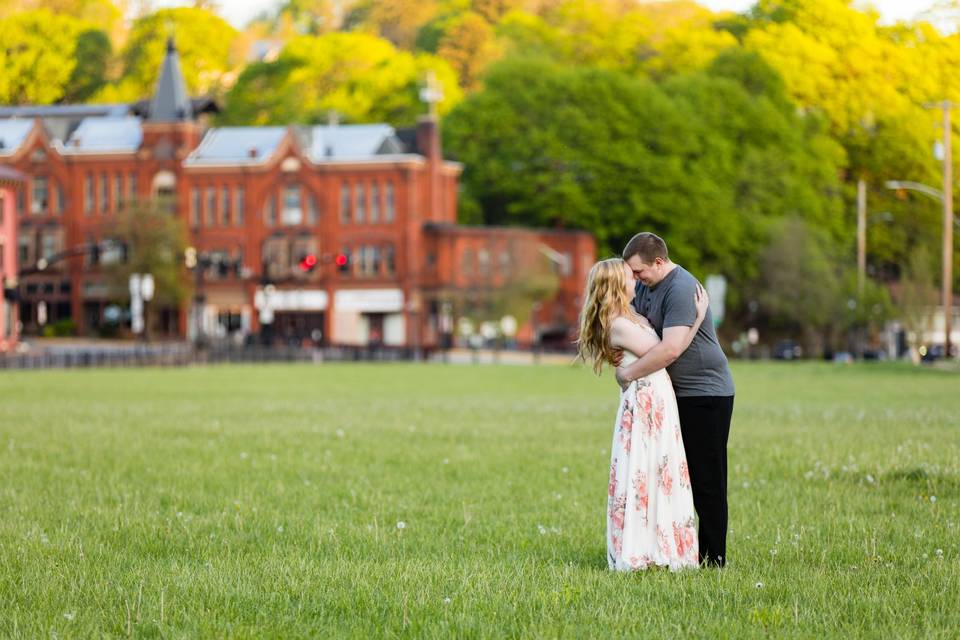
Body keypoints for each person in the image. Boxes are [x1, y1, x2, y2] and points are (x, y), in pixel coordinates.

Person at [577, 257, 709, 571]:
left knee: (658, 472)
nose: (635, 279)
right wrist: (698, 317)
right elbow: (667, 352)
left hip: (656, 400)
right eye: (628, 276)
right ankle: (645, 550)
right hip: (645, 403)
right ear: (615, 285)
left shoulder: (630, 316)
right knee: (646, 472)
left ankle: (660, 546)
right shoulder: (619, 324)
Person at [616, 232, 735, 567]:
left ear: (659, 261)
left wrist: (628, 374)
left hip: (705, 393)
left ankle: (714, 559)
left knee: (705, 479)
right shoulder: (645, 287)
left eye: (639, 272)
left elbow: (669, 350)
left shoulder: (682, 288)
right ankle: (671, 551)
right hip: (674, 395)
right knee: (673, 477)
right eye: (631, 274)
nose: (635, 280)